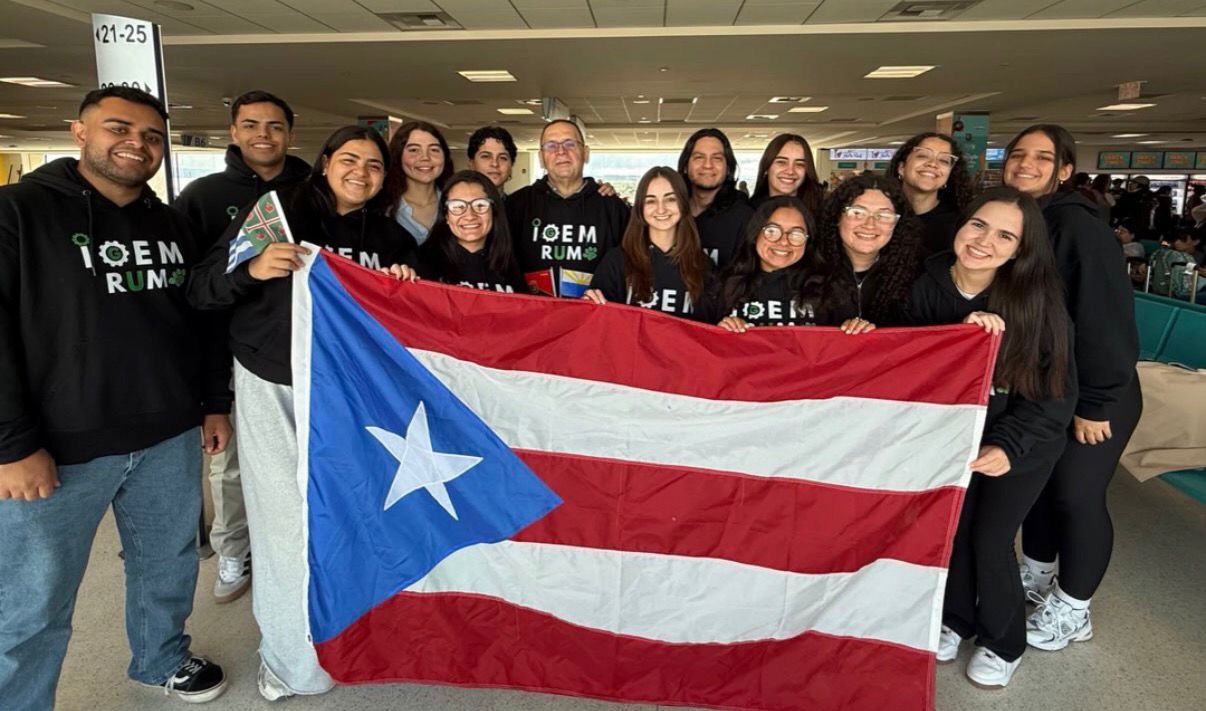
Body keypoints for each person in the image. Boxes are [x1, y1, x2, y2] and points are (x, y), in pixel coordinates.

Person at [0, 86, 230, 707]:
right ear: (79, 132)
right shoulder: (16, 212)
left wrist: (212, 403)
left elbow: (199, 320)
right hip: (57, 446)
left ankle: (161, 658)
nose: (137, 144)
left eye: (151, 136)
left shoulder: (173, 223)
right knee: (32, 598)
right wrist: (11, 445)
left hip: (167, 436)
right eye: (119, 129)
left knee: (169, 563)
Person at [187, 125, 417, 701]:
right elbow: (202, 289)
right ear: (324, 162)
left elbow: (411, 323)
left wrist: (405, 288)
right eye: (349, 160)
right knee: (286, 526)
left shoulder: (389, 237)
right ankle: (291, 659)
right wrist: (253, 268)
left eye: (373, 165)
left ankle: (351, 635)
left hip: (351, 396)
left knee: (352, 517)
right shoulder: (277, 212)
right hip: (275, 384)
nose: (360, 172)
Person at [910, 186, 1075, 688]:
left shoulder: (1038, 303)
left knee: (990, 538)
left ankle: (1004, 642)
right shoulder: (925, 281)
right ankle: (956, 619)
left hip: (1020, 443)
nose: (985, 241)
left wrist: (1008, 446)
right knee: (954, 533)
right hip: (951, 439)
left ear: (1021, 250)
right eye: (979, 225)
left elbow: (1055, 395)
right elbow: (910, 360)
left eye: (1006, 236)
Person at [1002, 124, 1141, 653]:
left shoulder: (1078, 229)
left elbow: (1106, 319)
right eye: (1018, 155)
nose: (1026, 164)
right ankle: (1037, 576)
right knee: (1038, 489)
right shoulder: (1019, 223)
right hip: (1041, 389)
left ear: (1064, 170)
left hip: (1094, 394)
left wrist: (1098, 399)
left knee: (1076, 495)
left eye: (1042, 157)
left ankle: (1074, 606)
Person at [174, 89, 310, 604]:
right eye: (251, 125)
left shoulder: (310, 191)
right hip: (230, 350)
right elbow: (197, 284)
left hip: (299, 351)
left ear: (290, 134)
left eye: (274, 126)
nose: (263, 135)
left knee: (295, 459)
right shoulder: (204, 196)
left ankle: (295, 549)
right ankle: (234, 549)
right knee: (230, 463)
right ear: (233, 132)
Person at [506, 119, 628, 298]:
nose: (561, 151)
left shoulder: (612, 207)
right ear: (541, 157)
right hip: (532, 319)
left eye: (570, 143)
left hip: (594, 319)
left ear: (585, 153)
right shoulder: (516, 205)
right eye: (551, 145)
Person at [697, 196, 847, 329]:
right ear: (755, 234)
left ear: (808, 242)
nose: (783, 242)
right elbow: (701, 345)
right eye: (772, 231)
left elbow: (845, 349)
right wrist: (720, 331)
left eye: (796, 234)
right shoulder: (722, 287)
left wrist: (855, 327)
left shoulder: (831, 288)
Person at [583, 166, 711, 319]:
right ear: (640, 208)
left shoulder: (703, 265)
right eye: (651, 201)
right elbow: (600, 324)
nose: (661, 209)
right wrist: (589, 305)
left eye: (670, 199)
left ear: (683, 203)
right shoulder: (616, 261)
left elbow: (710, 331)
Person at [814, 172, 922, 327]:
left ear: (897, 224)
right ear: (837, 217)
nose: (870, 224)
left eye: (884, 216)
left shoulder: (916, 277)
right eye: (857, 212)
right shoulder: (806, 271)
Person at [416, 170, 528, 293]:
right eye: (458, 206)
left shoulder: (516, 262)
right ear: (446, 216)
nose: (470, 215)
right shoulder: (420, 263)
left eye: (480, 205)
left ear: (494, 212)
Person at [677, 128, 754, 268]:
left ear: (728, 168)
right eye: (699, 157)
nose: (707, 165)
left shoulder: (744, 218)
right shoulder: (671, 214)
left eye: (717, 158)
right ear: (686, 166)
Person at [886, 132, 973, 256]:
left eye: (943, 160)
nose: (933, 164)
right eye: (923, 156)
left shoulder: (958, 224)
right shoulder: (879, 214)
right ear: (901, 168)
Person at [385, 120, 453, 244]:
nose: (425, 157)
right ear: (398, 155)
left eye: (434, 150)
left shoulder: (457, 204)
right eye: (414, 150)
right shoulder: (382, 207)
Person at [749, 134, 823, 216]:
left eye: (799, 164)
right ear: (766, 167)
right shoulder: (747, 213)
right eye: (781, 162)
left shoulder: (822, 215)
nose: (790, 171)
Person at [1149, 229, 1204, 302]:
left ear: (1196, 242)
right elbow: (1162, 242)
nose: (1177, 242)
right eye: (1176, 239)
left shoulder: (1201, 257)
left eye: (1183, 240)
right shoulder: (1169, 255)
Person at [466, 125, 517, 193]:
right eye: (486, 156)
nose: (495, 164)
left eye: (502, 158)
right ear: (471, 164)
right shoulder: (455, 202)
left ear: (511, 165)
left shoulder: (523, 203)